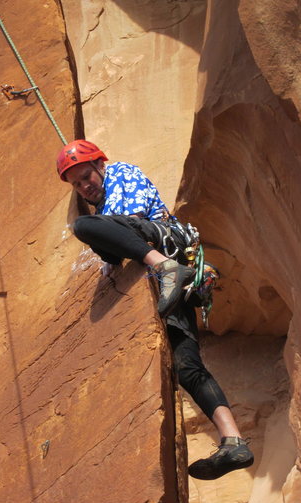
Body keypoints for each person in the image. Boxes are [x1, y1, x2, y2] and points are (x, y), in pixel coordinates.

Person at [57, 139, 254, 480]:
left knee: (83, 227)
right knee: (187, 367)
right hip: (174, 287)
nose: (84, 186)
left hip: (167, 249)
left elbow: (127, 223)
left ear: (101, 164)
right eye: (76, 184)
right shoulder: (102, 203)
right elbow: (115, 248)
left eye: (87, 176)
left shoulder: (122, 173)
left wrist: (109, 245)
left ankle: (164, 267)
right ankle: (233, 440)